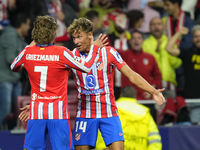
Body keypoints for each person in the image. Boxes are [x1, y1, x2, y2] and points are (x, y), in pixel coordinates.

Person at [19, 17, 165, 150]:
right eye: (74, 38)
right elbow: (52, 84)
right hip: (85, 114)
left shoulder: (109, 53)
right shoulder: (71, 56)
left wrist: (154, 91)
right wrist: (37, 104)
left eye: (79, 37)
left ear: (90, 35)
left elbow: (132, 75)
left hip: (109, 112)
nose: (76, 41)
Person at [10, 15, 107, 150]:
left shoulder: (28, 52)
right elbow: (86, 67)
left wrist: (30, 45)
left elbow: (14, 66)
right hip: (58, 114)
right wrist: (95, 48)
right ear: (53, 34)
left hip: (37, 112)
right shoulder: (61, 52)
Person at [95, 86, 162, 150]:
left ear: (121, 95)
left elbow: (102, 132)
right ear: (135, 97)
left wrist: (102, 147)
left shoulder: (111, 109)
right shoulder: (145, 113)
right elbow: (155, 140)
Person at [0, 13, 30, 128]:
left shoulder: (17, 37)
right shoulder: (10, 35)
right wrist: (28, 65)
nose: (28, 27)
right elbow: (10, 60)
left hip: (14, 80)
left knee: (20, 110)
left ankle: (15, 136)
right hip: (5, 79)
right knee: (4, 109)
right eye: (27, 25)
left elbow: (28, 50)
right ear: (22, 25)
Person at [166, 25, 200, 124]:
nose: (198, 39)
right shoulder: (188, 53)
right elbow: (168, 48)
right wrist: (179, 33)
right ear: (192, 39)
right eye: (196, 36)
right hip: (192, 99)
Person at [142, 17, 182, 98]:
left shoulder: (170, 42)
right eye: (153, 25)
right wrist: (158, 51)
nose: (156, 27)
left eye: (159, 24)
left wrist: (169, 51)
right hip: (152, 84)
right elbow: (145, 65)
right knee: (155, 109)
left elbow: (176, 63)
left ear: (163, 27)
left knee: (171, 108)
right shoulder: (145, 44)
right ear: (149, 28)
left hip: (169, 82)